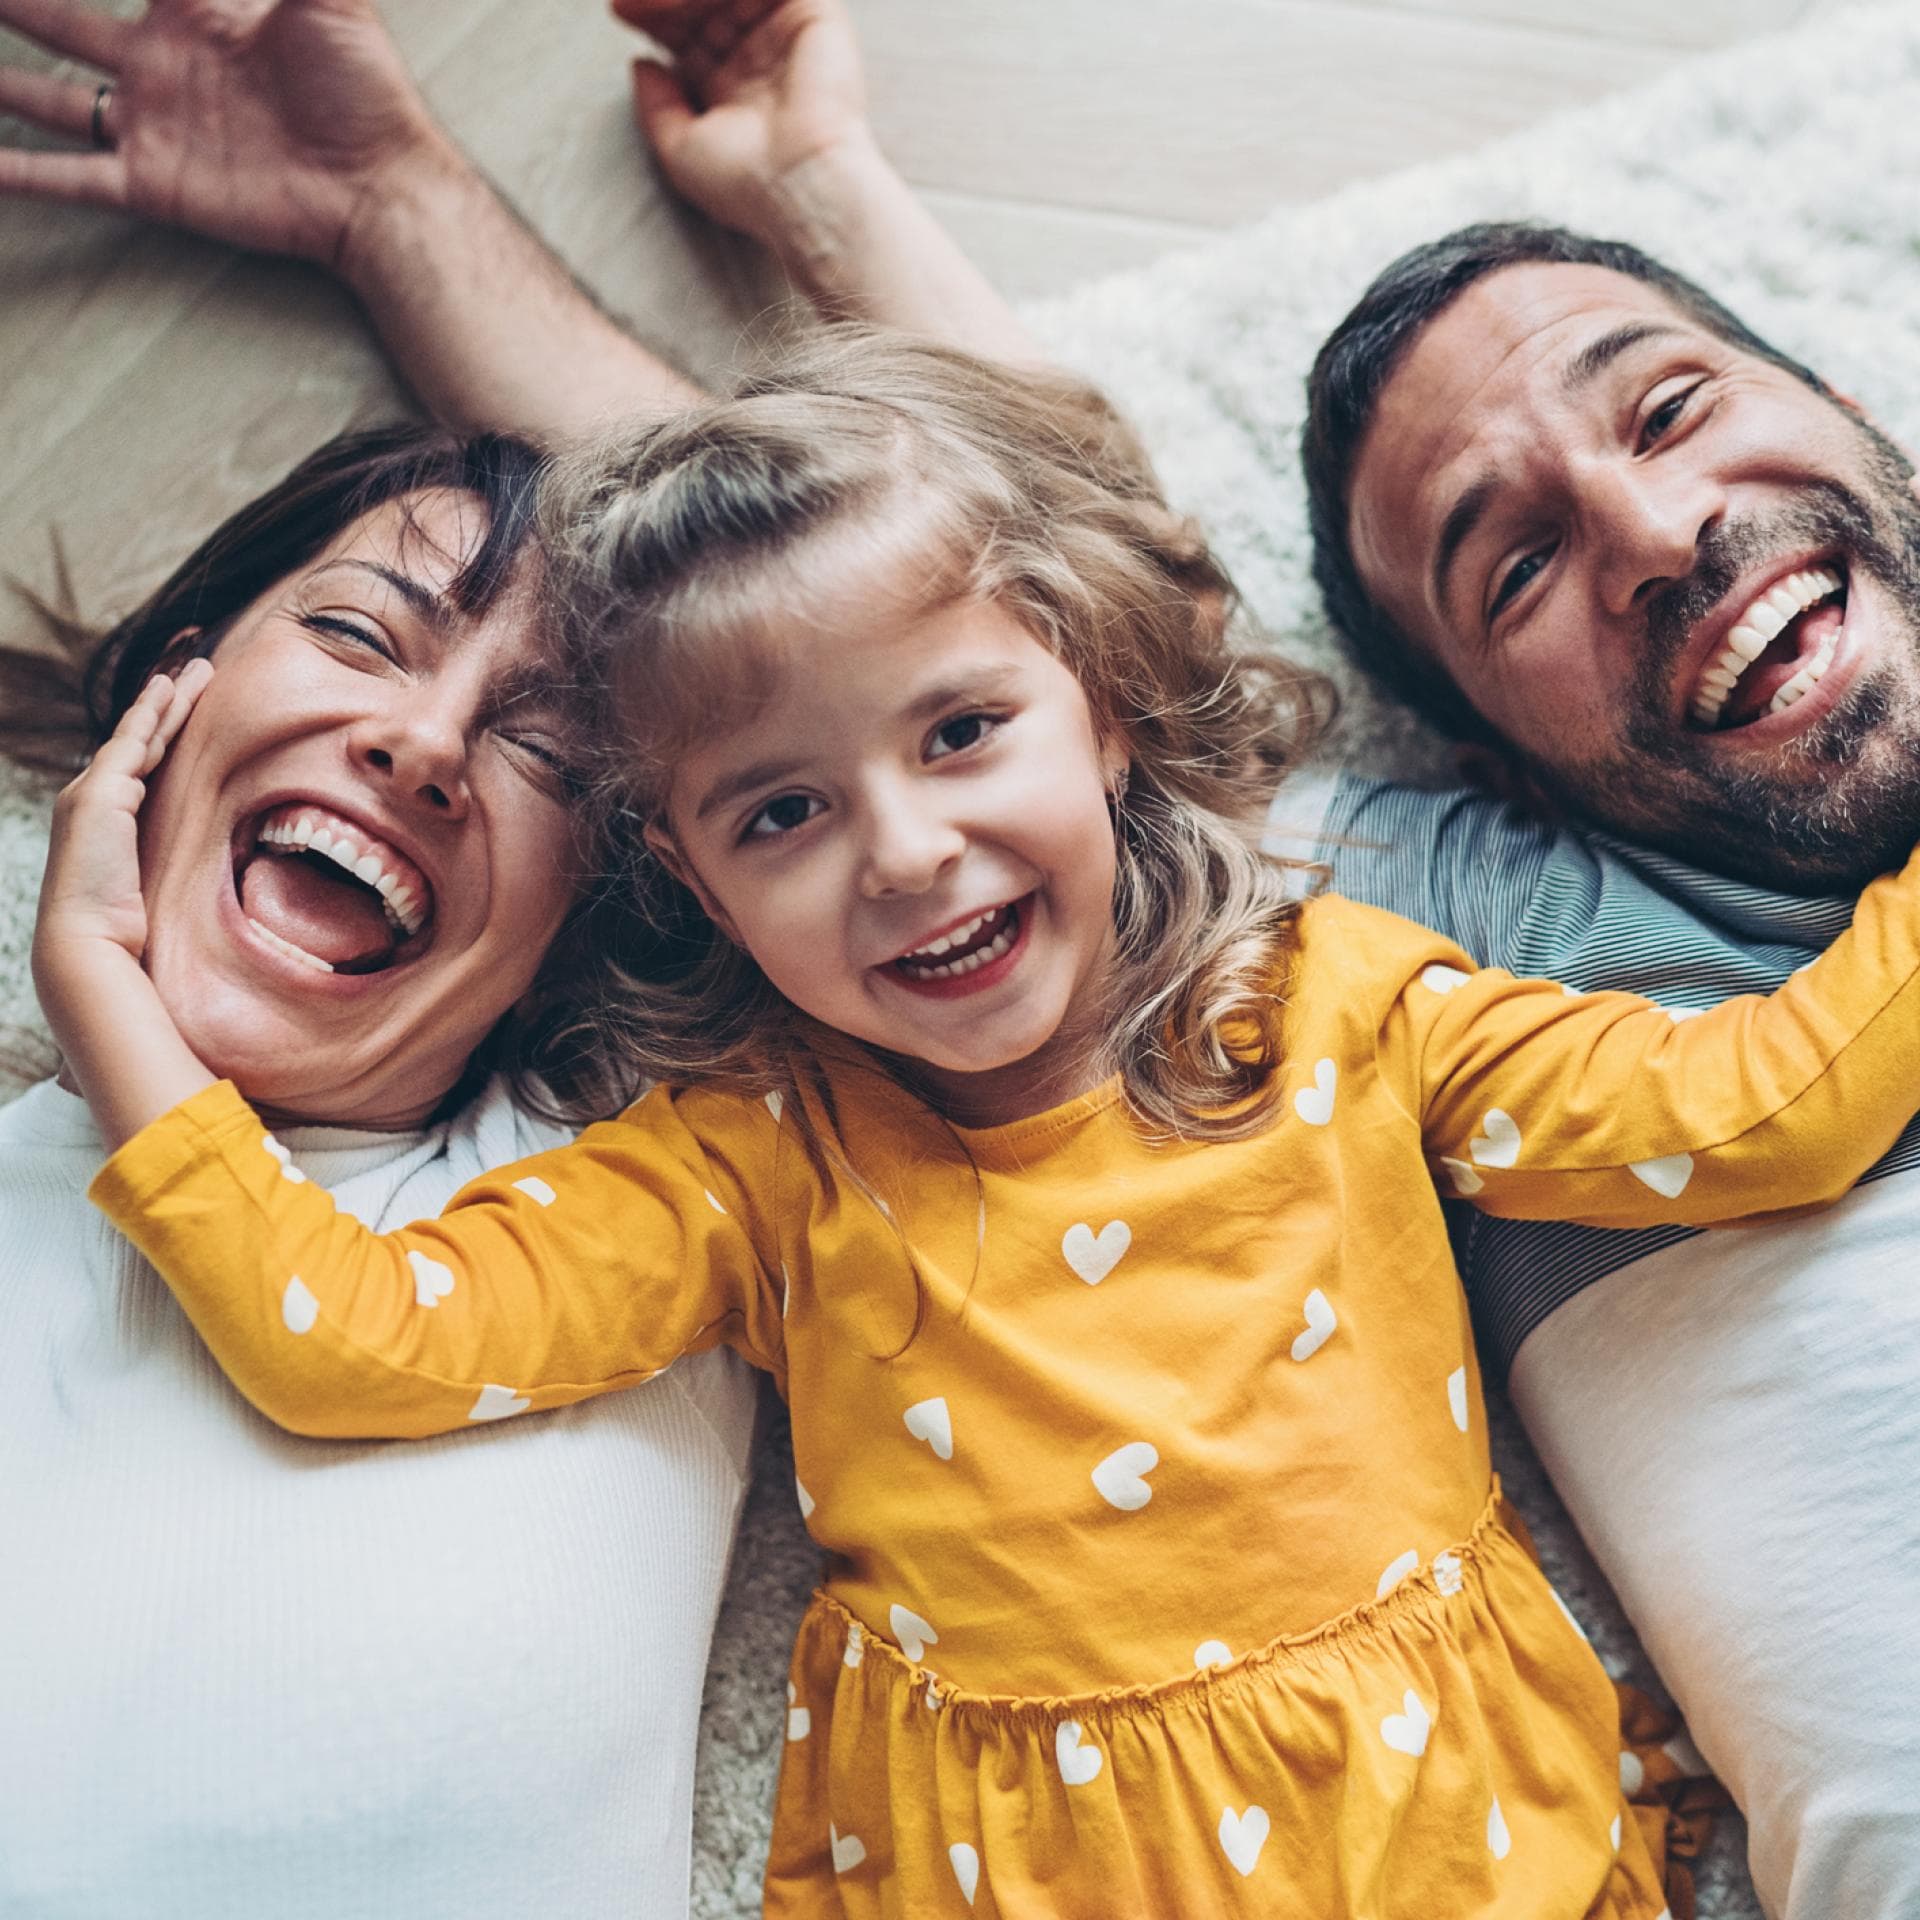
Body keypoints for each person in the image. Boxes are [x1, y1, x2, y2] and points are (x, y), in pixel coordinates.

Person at [33, 326, 1920, 1919]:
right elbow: (353, 1340)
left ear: (1096, 707)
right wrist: (111, 1000)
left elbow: (1766, 1110)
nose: (906, 855)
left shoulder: (1342, 995)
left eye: (958, 735)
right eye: (781, 814)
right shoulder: (747, 1159)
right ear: (682, 876)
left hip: (1451, 1828)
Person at [0, 423, 758, 1915]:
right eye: (357, 633)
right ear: (180, 684)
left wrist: (394, 207)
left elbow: (883, 599)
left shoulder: (634, 1189)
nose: (421, 744)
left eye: (543, 748)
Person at [1295, 222, 1920, 1920]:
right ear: (1495, 757)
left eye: (1667, 410)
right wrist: (821, 183)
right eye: (1513, 567)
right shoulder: (1497, 950)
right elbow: (897, 676)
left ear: (1847, 403)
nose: (1661, 536)